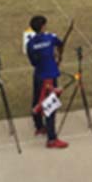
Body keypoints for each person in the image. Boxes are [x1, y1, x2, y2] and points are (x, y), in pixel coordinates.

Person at [25, 16, 69, 149]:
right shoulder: (50, 37)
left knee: (37, 100)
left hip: (38, 74)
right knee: (50, 106)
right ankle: (52, 139)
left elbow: (33, 62)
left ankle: (39, 126)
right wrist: (57, 56)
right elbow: (60, 44)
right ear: (43, 26)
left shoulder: (30, 43)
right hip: (49, 76)